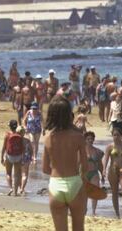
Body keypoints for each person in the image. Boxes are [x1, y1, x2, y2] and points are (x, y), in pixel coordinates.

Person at [42, 95, 88, 231]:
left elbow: (45, 169)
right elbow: (85, 167)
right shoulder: (78, 137)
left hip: (55, 184)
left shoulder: (48, 138)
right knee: (78, 227)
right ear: (69, 114)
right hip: (74, 182)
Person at [103, 128, 122, 219]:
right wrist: (104, 170)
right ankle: (117, 214)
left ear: (121, 136)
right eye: (114, 135)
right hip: (113, 170)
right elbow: (106, 159)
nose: (116, 137)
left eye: (118, 135)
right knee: (115, 192)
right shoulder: (109, 147)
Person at [1, 120, 23, 196]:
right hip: (18, 156)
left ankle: (10, 188)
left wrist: (2, 157)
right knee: (17, 175)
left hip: (9, 156)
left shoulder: (7, 135)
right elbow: (22, 146)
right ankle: (16, 192)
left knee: (8, 173)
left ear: (9, 126)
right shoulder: (20, 134)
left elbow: (4, 147)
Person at [84, 131, 104, 216]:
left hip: (94, 173)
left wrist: (102, 174)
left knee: (94, 193)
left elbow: (100, 164)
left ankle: (93, 211)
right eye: (88, 139)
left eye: (91, 139)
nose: (90, 140)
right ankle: (84, 210)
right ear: (85, 140)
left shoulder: (97, 151)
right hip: (84, 173)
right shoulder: (81, 150)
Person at [17, 126, 33, 196]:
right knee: (25, 174)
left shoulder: (15, 140)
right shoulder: (27, 140)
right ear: (23, 133)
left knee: (18, 174)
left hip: (17, 157)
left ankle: (20, 187)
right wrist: (31, 157)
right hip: (26, 158)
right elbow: (31, 150)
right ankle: (22, 189)